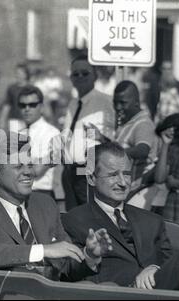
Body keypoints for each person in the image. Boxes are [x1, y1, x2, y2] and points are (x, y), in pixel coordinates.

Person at [62, 141, 179, 291]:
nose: (123, 182)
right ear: (91, 178)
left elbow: (170, 262)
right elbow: (65, 273)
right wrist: (90, 256)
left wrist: (155, 268)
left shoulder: (152, 220)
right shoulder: (74, 220)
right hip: (114, 294)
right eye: (113, 175)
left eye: (126, 174)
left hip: (157, 292)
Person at [0, 132, 112, 281]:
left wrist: (90, 256)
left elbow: (66, 268)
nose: (28, 172)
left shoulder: (45, 205)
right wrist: (42, 250)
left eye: (30, 165)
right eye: (18, 166)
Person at [61, 55, 115, 210]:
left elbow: (116, 138)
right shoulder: (73, 104)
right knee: (73, 220)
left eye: (85, 73)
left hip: (89, 171)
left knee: (91, 218)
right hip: (70, 172)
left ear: (95, 76)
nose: (80, 77)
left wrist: (102, 137)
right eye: (75, 74)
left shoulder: (106, 102)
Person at [17, 85, 60, 198]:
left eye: (32, 105)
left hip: (41, 194)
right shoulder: (18, 134)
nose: (26, 109)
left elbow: (37, 171)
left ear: (41, 107)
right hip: (19, 194)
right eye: (22, 105)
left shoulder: (52, 133)